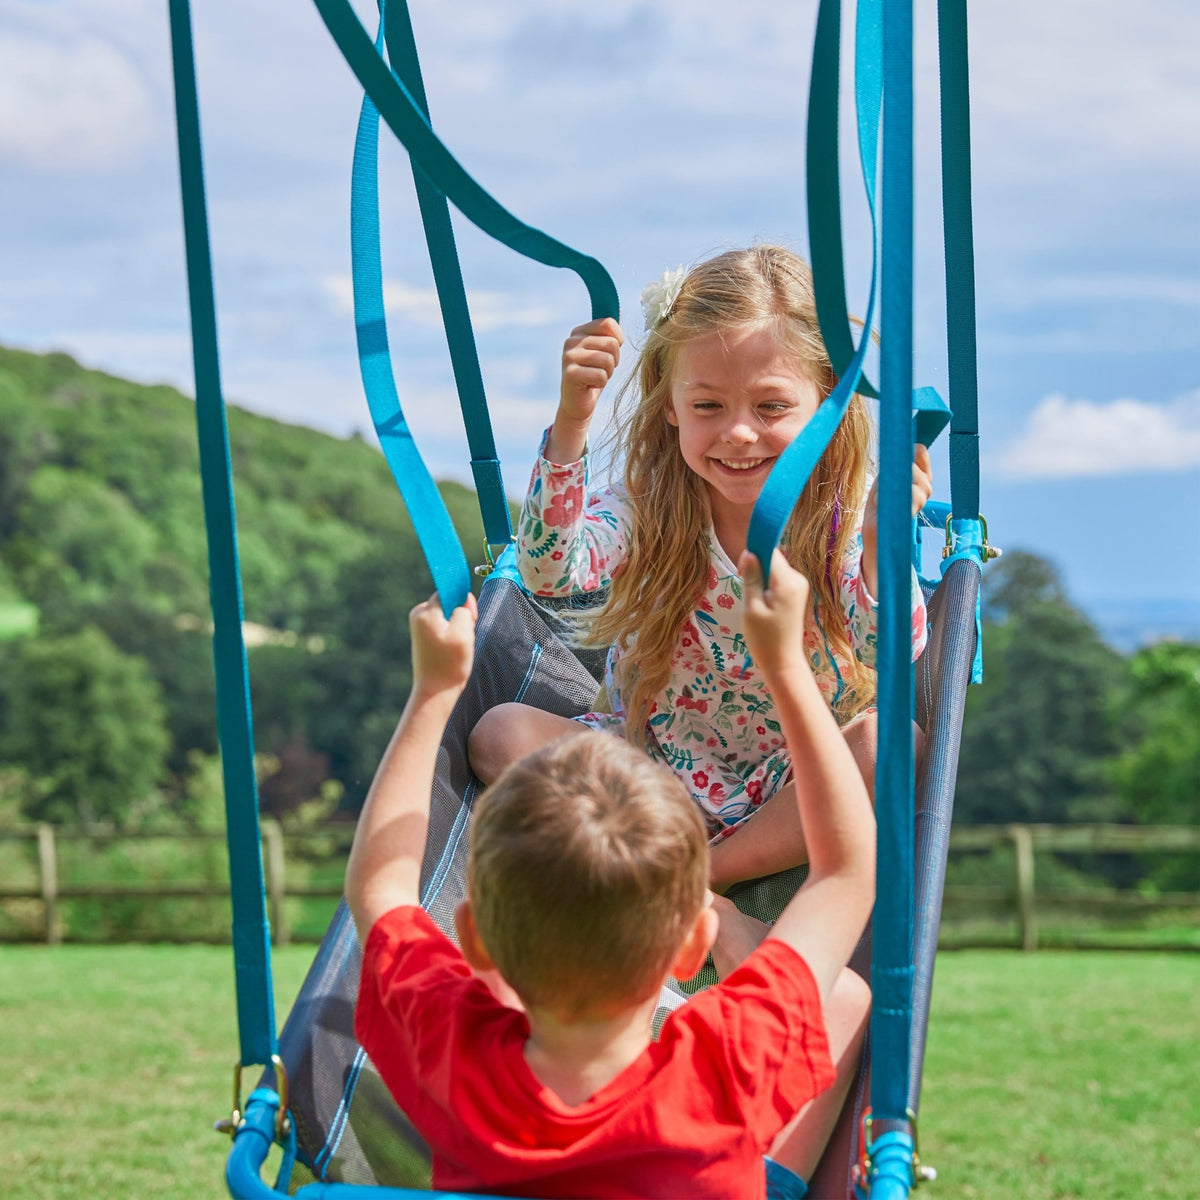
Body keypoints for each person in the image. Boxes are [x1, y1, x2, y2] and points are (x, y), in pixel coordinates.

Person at [346, 548, 875, 1200]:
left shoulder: (456, 1049)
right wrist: (786, 667)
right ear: (691, 945)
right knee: (847, 996)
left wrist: (431, 695)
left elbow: (379, 889)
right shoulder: (722, 1068)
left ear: (476, 939)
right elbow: (846, 873)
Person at [468, 245, 931, 901]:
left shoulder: (847, 516)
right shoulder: (648, 505)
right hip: (651, 775)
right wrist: (572, 422)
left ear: (827, 400)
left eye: (771, 406)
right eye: (708, 406)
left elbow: (892, 654)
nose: (738, 433)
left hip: (796, 776)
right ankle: (681, 866)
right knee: (500, 734)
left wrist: (884, 549)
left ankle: (699, 879)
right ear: (671, 406)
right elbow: (548, 576)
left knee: (893, 746)